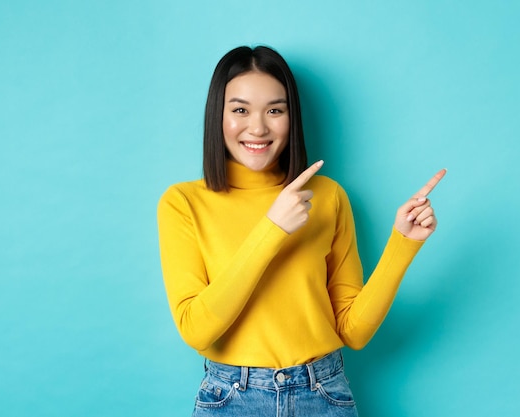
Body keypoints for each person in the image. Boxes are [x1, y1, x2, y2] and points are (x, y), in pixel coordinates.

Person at [157, 45, 446, 417]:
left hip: (322, 393)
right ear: (218, 115)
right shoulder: (183, 202)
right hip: (231, 398)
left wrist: (403, 243)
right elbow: (196, 330)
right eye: (240, 110)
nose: (258, 127)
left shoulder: (327, 197)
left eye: (275, 110)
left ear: (291, 118)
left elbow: (353, 332)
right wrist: (272, 228)